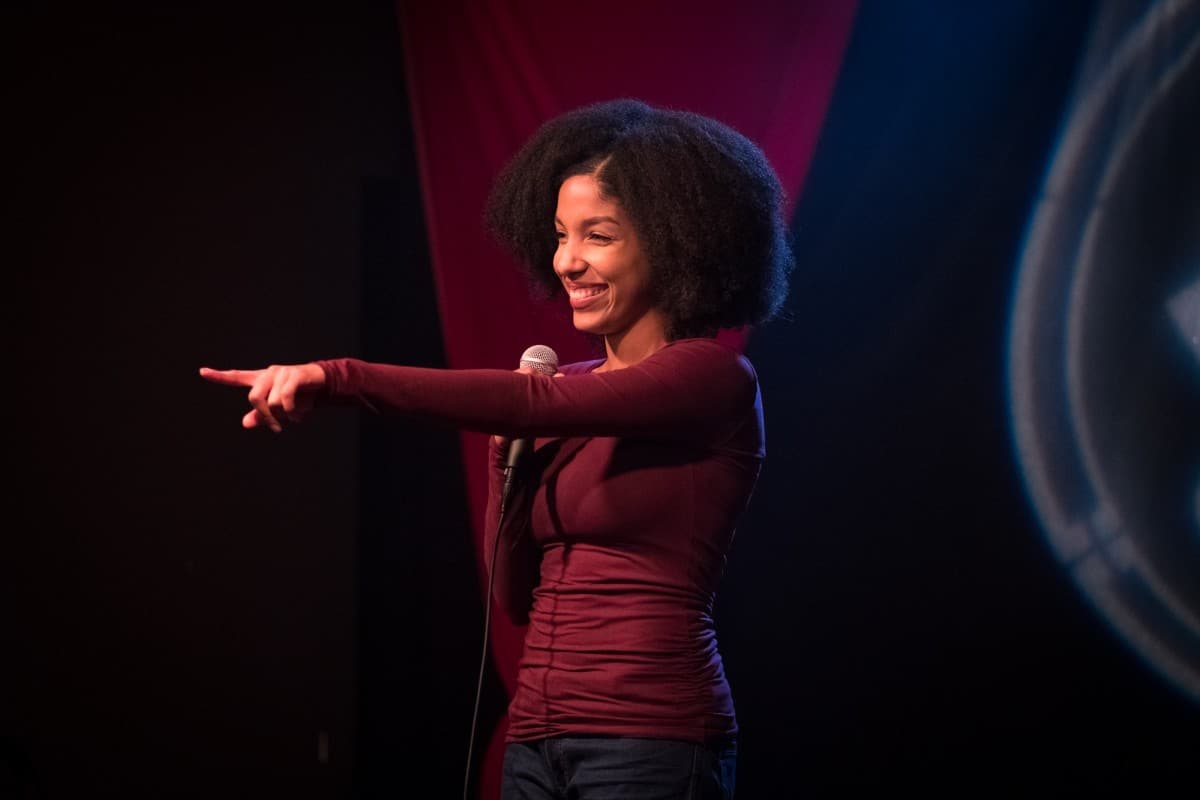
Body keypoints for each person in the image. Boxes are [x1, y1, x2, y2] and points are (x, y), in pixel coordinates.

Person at [200, 98, 793, 799]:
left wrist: (338, 378)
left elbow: (540, 404)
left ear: (675, 243)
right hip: (535, 738)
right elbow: (511, 596)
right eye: (560, 236)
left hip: (650, 738)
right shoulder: (563, 392)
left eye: (598, 236)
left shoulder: (711, 378)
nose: (567, 261)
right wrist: (503, 451)